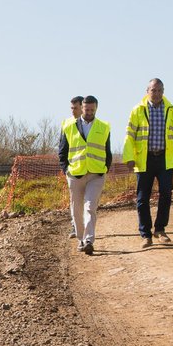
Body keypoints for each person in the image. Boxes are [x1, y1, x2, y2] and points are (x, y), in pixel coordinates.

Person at [123, 78, 173, 247]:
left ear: (163, 91)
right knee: (143, 197)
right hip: (144, 159)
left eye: (159, 91)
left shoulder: (172, 110)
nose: (156, 94)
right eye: (153, 90)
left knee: (166, 194)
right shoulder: (138, 110)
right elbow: (130, 135)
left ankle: (160, 229)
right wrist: (129, 157)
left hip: (165, 159)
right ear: (147, 91)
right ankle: (145, 234)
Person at [58, 95, 111, 255]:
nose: (89, 112)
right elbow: (62, 151)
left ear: (96, 109)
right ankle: (81, 239)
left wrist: (105, 168)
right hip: (75, 174)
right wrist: (66, 170)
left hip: (96, 174)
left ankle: (89, 240)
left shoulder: (104, 126)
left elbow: (107, 151)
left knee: (90, 207)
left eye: (92, 110)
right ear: (82, 108)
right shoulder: (69, 126)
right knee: (77, 209)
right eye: (86, 109)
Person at [63, 96, 85, 238]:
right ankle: (75, 227)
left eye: (75, 108)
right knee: (75, 202)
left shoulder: (94, 125)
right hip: (74, 171)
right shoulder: (67, 124)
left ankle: (87, 229)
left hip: (92, 170)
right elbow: (62, 148)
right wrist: (65, 168)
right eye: (71, 108)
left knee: (88, 203)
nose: (73, 111)